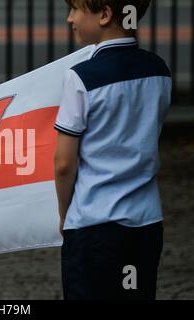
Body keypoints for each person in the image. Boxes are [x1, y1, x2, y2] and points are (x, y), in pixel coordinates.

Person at [53, 0, 171, 300]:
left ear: (104, 14)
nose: (70, 18)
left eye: (76, 9)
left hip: (93, 225)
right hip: (146, 222)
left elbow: (64, 163)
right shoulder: (159, 70)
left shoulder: (80, 77)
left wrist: (64, 214)